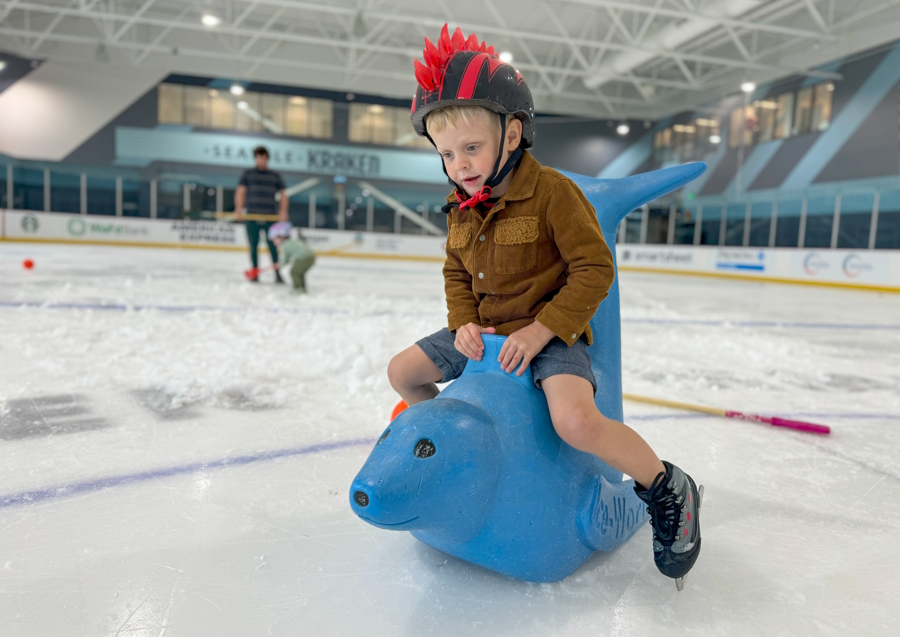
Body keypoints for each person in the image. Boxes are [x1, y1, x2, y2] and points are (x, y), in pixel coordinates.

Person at [387, 25, 702, 587]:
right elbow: (456, 272)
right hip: (482, 338)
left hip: (550, 336)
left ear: (511, 135)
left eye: (471, 148)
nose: (459, 164)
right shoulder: (462, 208)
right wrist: (463, 324)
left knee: (576, 420)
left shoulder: (555, 193)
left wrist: (541, 332)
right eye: (447, 153)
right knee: (402, 373)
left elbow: (594, 269)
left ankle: (667, 486)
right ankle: (446, 446)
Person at [234, 146, 288, 283]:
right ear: (255, 159)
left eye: (263, 158)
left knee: (273, 247)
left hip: (270, 217)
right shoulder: (248, 174)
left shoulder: (275, 176)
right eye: (258, 158)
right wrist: (238, 209)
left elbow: (283, 195)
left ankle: (277, 272)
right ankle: (255, 272)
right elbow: (241, 191)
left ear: (267, 159)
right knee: (253, 246)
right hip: (252, 216)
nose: (261, 160)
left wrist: (283, 212)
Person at [267, 222, 316, 294]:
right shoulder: (292, 241)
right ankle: (302, 288)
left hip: (303, 258)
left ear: (281, 236)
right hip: (311, 257)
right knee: (299, 272)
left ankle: (298, 289)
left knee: (294, 272)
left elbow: (285, 260)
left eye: (274, 239)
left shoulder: (285, 245)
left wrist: (279, 265)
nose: (274, 243)